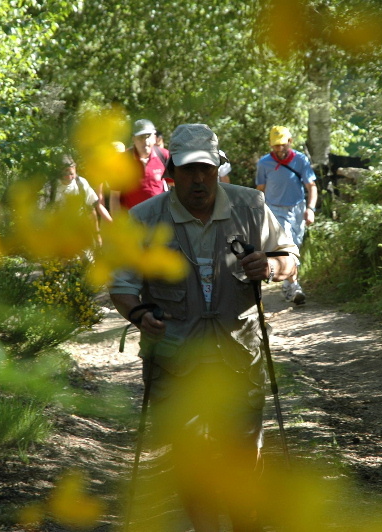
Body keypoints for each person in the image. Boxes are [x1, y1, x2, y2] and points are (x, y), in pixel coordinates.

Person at [110, 123, 298, 531]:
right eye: (189, 170)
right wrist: (140, 315)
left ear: (218, 169)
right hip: (175, 357)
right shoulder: (143, 219)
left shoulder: (250, 206)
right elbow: (121, 286)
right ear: (171, 173)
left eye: (206, 170)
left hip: (237, 353)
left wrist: (271, 265)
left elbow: (289, 257)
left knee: (243, 454)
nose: (198, 179)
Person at [255, 125, 317, 304]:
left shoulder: (300, 160)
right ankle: (295, 286)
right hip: (274, 209)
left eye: (282, 144)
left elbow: (311, 187)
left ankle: (288, 286)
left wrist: (310, 209)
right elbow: (260, 190)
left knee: (295, 247)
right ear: (270, 145)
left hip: (297, 209)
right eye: (275, 145)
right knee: (287, 246)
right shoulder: (264, 163)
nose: (279, 149)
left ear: (290, 142)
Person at [39, 154, 106, 248]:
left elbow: (91, 210)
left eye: (71, 170)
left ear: (75, 168)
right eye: (64, 170)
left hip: (80, 230)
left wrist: (97, 235)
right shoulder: (50, 188)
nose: (68, 174)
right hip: (57, 233)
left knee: (87, 260)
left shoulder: (81, 183)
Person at [109, 119, 171, 211]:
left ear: (154, 137)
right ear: (133, 139)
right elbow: (114, 196)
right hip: (133, 220)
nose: (145, 141)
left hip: (159, 219)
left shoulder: (164, 155)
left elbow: (175, 186)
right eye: (141, 137)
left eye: (148, 136)